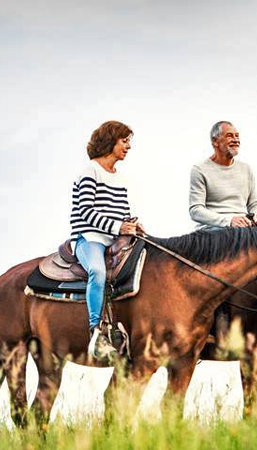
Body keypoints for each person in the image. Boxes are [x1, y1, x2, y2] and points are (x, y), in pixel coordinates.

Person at [70, 120, 144, 363]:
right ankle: (96, 332)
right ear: (110, 141)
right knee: (98, 271)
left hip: (115, 239)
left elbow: (122, 211)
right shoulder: (89, 171)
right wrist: (118, 226)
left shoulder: (120, 178)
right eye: (124, 141)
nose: (128, 147)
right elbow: (85, 211)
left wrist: (132, 224)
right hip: (89, 238)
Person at [189, 121, 257, 229]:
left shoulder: (246, 169)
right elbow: (196, 211)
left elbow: (254, 203)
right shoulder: (200, 170)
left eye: (237, 136)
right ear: (215, 141)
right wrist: (229, 220)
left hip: (244, 228)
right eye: (229, 136)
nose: (236, 140)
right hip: (214, 231)